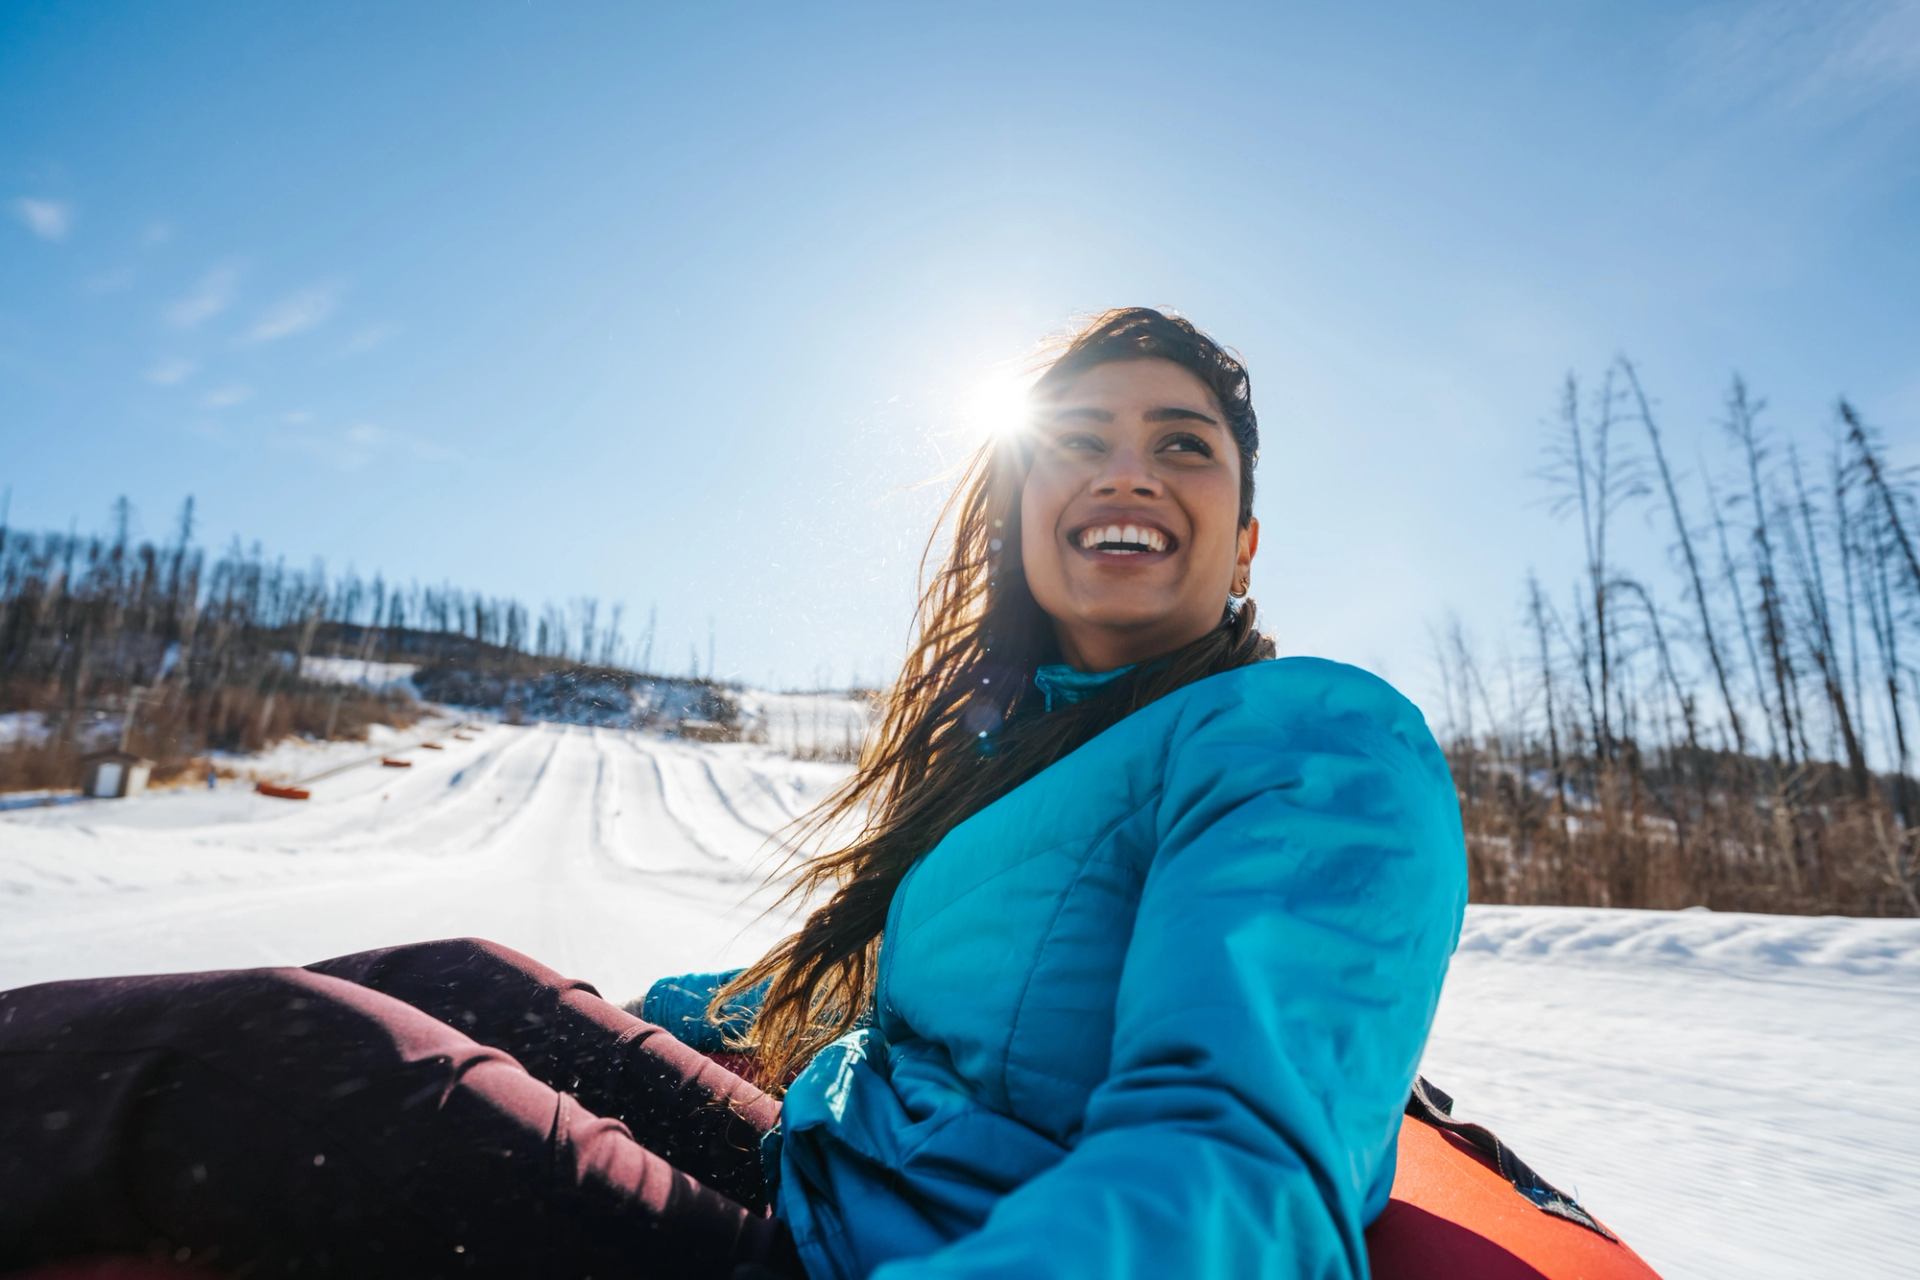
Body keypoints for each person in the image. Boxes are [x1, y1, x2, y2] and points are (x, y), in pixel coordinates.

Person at [0, 307, 1466, 1280]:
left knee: (268, 1056)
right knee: (466, 978)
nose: (1123, 470)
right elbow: (916, 1011)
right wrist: (648, 1028)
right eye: (1077, 441)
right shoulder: (1026, 743)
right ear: (1023, 504)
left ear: (1247, 538)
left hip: (896, 1257)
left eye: (1180, 445)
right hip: (837, 1173)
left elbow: (1235, 1165)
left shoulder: (1309, 740)